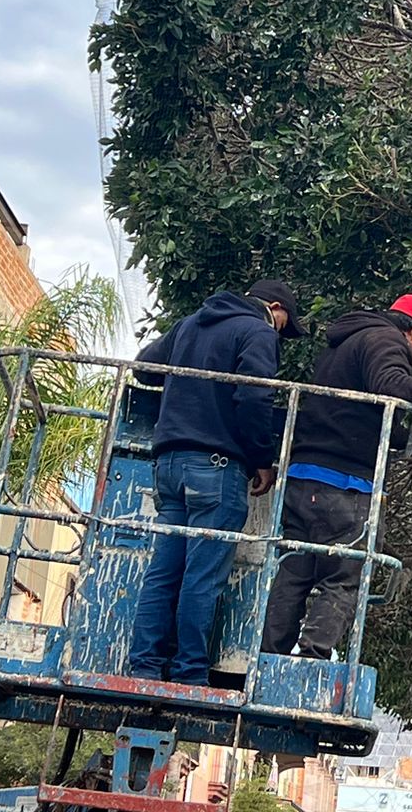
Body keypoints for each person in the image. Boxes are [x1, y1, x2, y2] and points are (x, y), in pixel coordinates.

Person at [260, 294, 412, 659]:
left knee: (294, 573)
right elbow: (393, 385)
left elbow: (358, 416)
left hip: (303, 476)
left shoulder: (345, 343)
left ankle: (268, 659)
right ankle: (312, 661)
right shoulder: (386, 340)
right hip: (345, 484)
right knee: (345, 577)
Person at [127, 279, 306, 687]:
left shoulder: (190, 324)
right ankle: (189, 672)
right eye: (285, 325)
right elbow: (255, 398)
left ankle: (145, 665)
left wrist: (188, 389)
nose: (281, 333)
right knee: (203, 577)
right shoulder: (258, 331)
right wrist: (261, 459)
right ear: (275, 308)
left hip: (169, 463)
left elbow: (143, 368)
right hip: (216, 467)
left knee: (163, 572)